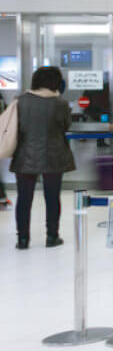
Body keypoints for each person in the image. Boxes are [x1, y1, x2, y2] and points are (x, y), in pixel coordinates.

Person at [10, 66, 74, 249]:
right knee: (52, 198)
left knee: (24, 199)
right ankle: (52, 236)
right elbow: (66, 126)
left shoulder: (20, 101)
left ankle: (22, 239)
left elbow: (15, 127)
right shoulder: (60, 103)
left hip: (25, 154)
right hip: (54, 155)